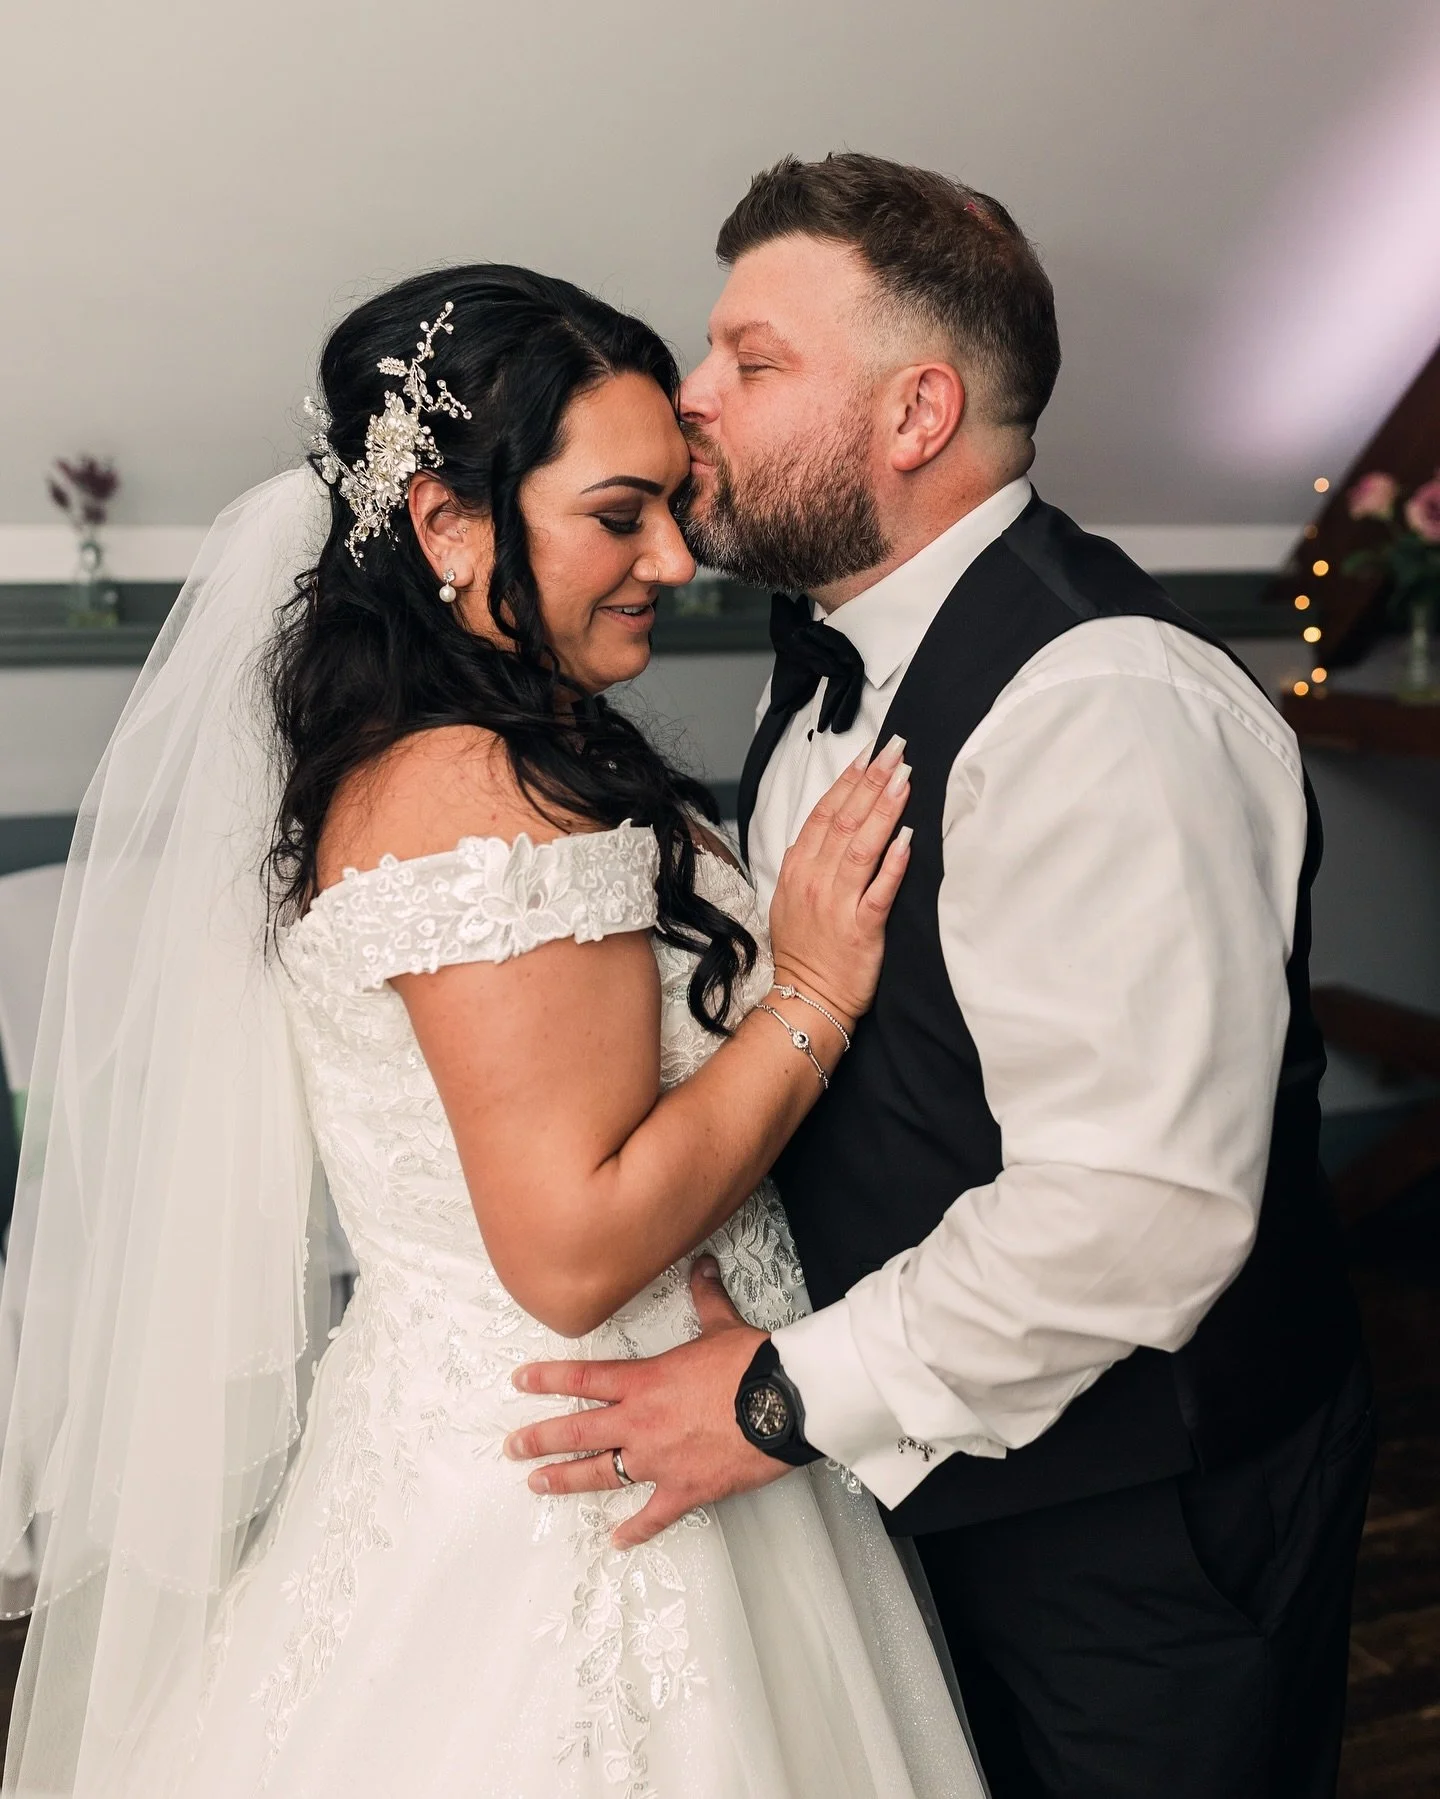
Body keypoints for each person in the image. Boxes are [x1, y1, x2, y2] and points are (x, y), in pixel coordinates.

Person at [0, 267, 986, 1796]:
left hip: (535, 1442)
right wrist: (813, 992)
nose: (676, 554)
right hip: (587, 1500)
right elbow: (574, 1251)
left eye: (675, 501)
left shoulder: (458, 745)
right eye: (618, 514)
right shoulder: (485, 799)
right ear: (448, 525)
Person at [510, 155, 1377, 1799]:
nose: (690, 401)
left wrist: (771, 1396)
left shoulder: (1101, 708)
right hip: (914, 1465)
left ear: (916, 414)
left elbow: (1132, 1209)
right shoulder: (847, 639)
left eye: (751, 362)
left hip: (1139, 1524)